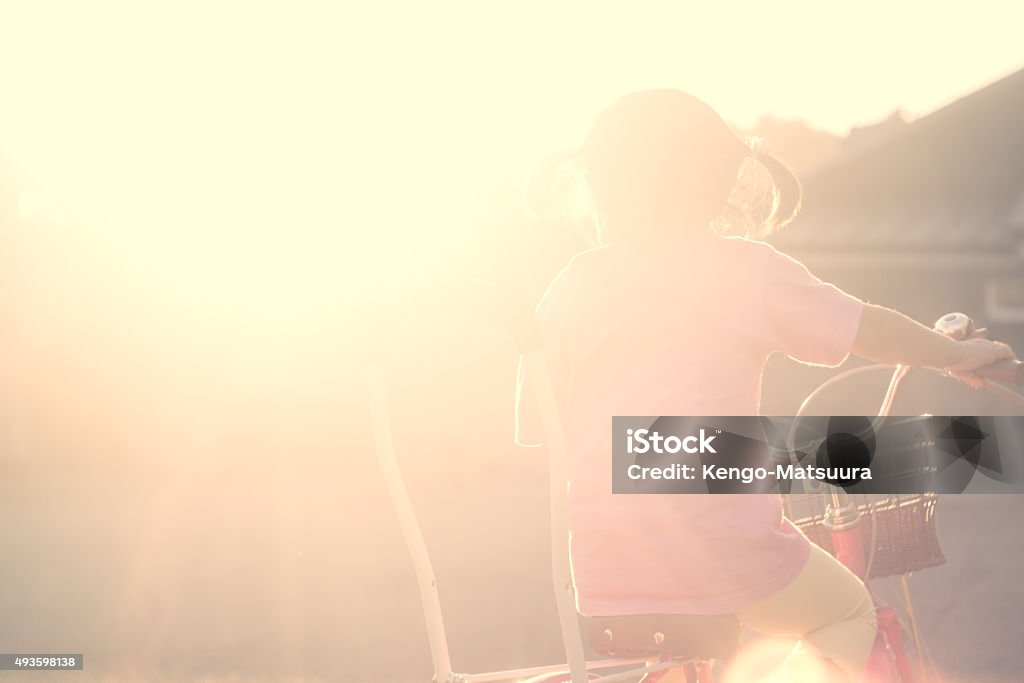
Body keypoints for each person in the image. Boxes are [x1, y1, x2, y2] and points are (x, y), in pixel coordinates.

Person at [514, 90, 1016, 682]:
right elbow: (868, 328)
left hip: (606, 577)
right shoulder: (743, 269)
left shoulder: (569, 286)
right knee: (848, 610)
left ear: (601, 185)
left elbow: (537, 429)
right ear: (718, 180)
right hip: (724, 556)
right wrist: (956, 353)